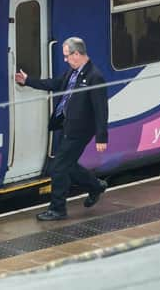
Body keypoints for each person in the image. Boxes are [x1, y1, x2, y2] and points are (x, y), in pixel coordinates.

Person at [15, 36, 108, 221]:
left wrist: (101, 137)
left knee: (58, 167)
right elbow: (56, 84)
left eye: (67, 56)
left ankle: (58, 209)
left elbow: (101, 109)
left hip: (80, 131)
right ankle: (96, 186)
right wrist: (28, 81)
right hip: (67, 126)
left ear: (77, 54)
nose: (65, 59)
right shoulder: (72, 73)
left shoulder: (94, 76)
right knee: (68, 165)